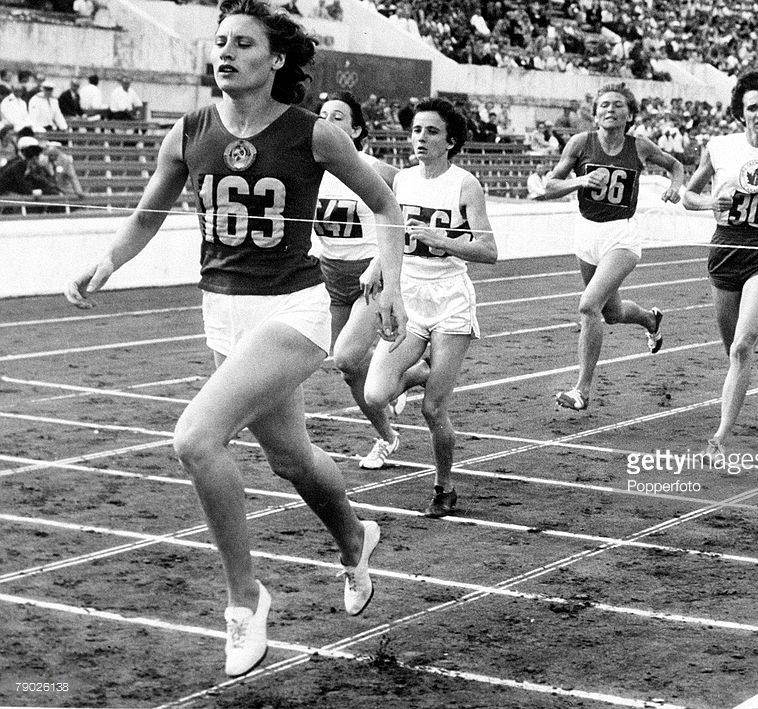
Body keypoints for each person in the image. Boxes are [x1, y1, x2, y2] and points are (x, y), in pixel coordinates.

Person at [64, 0, 407, 678]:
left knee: (195, 438)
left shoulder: (315, 134)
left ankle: (245, 599)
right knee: (292, 459)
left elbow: (387, 207)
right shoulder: (188, 130)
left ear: (275, 60)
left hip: (293, 312)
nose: (224, 52)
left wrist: (387, 281)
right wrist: (107, 262)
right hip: (221, 312)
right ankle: (354, 538)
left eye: (243, 43)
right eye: (219, 41)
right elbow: (146, 215)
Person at [362, 97, 498, 517]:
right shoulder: (401, 181)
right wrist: (375, 267)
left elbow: (489, 250)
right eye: (416, 130)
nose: (421, 139)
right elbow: (393, 235)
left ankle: (444, 485)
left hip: (451, 300)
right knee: (375, 393)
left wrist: (440, 240)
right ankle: (422, 370)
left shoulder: (464, 185)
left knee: (433, 408)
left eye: (431, 132)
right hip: (411, 297)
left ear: (450, 140)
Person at [681, 69, 758, 458]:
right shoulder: (719, 147)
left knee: (740, 348)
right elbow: (688, 195)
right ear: (741, 111)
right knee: (734, 348)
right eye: (752, 106)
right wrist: (709, 204)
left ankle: (718, 438)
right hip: (724, 249)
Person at [539, 82, 685, 411]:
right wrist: (579, 180)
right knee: (613, 313)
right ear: (595, 113)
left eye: (617, 105)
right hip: (587, 234)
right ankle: (651, 320)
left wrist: (675, 187)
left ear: (629, 114)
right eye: (604, 105)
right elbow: (549, 185)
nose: (609, 110)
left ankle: (582, 390)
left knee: (588, 305)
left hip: (622, 236)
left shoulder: (640, 146)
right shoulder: (580, 142)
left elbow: (676, 166)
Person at [313, 92, 410, 469]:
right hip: (330, 277)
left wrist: (381, 263)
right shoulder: (308, 167)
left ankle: (386, 436)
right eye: (322, 115)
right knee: (346, 364)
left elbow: (414, 198)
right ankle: (397, 383)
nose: (327, 121)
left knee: (350, 359)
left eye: (338, 117)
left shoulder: (375, 169)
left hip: (371, 278)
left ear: (356, 130)